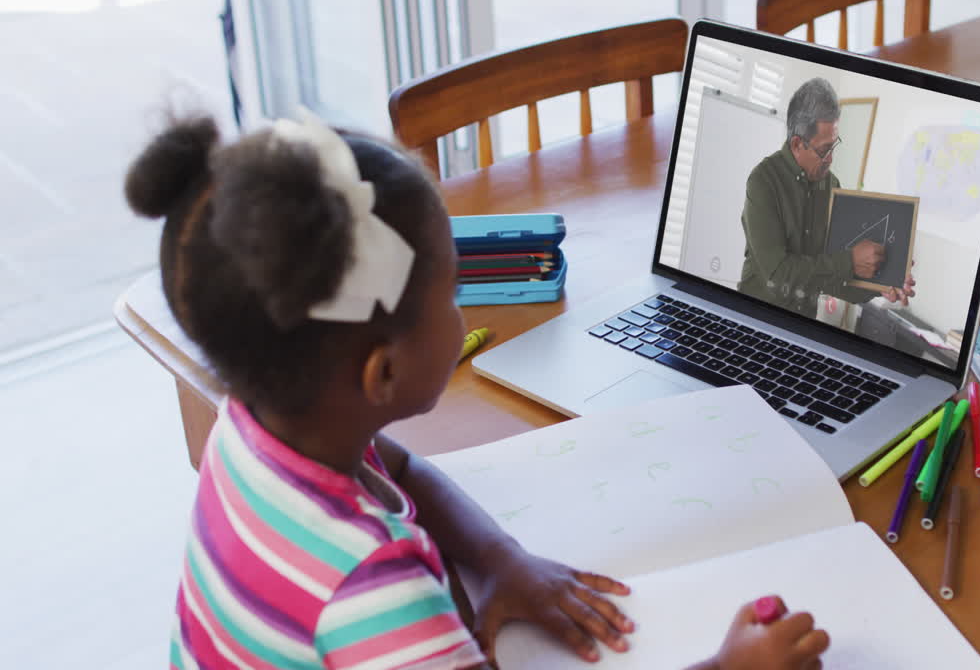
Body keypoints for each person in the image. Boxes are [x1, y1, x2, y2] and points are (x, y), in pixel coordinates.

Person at [126, 111, 830, 669]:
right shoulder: (377, 595)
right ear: (382, 373)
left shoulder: (252, 430)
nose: (466, 314)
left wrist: (500, 560)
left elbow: (401, 469)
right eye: (453, 293)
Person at [738, 77, 915, 318]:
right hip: (753, 319)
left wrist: (880, 283)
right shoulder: (762, 181)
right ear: (798, 144)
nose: (831, 159)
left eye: (834, 146)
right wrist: (850, 262)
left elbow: (832, 280)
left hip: (803, 327)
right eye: (824, 150)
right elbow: (778, 275)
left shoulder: (832, 186)